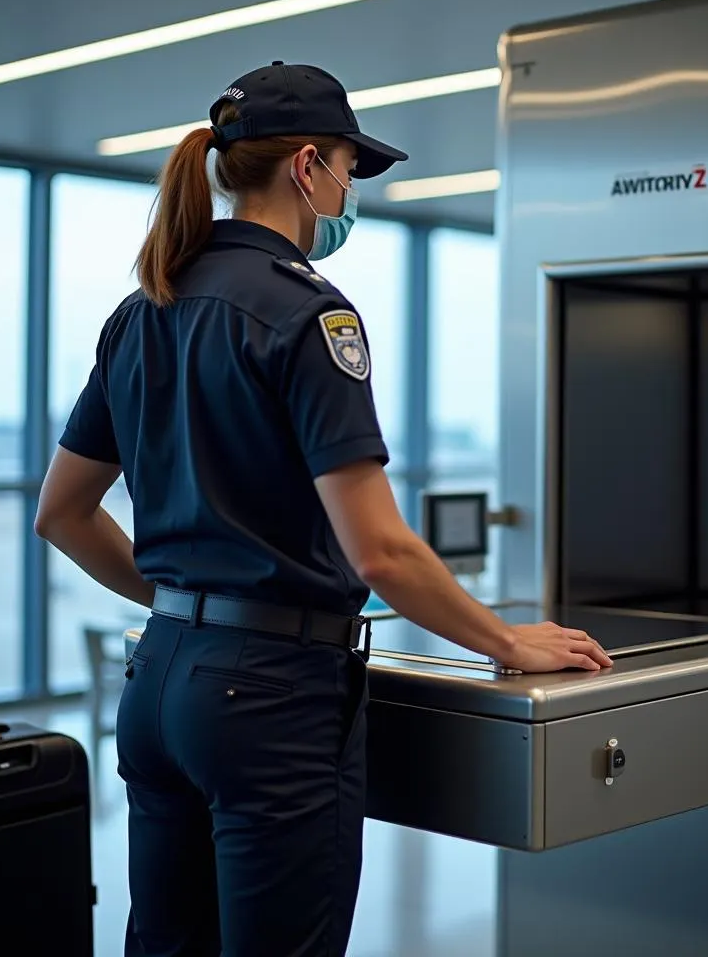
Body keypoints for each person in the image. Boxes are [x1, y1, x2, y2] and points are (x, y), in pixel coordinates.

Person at [34, 60, 613, 957]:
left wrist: (184, 612)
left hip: (158, 686)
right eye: (349, 166)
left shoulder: (141, 310)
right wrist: (507, 641)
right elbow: (379, 550)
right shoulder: (309, 317)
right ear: (308, 167)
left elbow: (63, 515)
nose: (351, 190)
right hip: (269, 702)